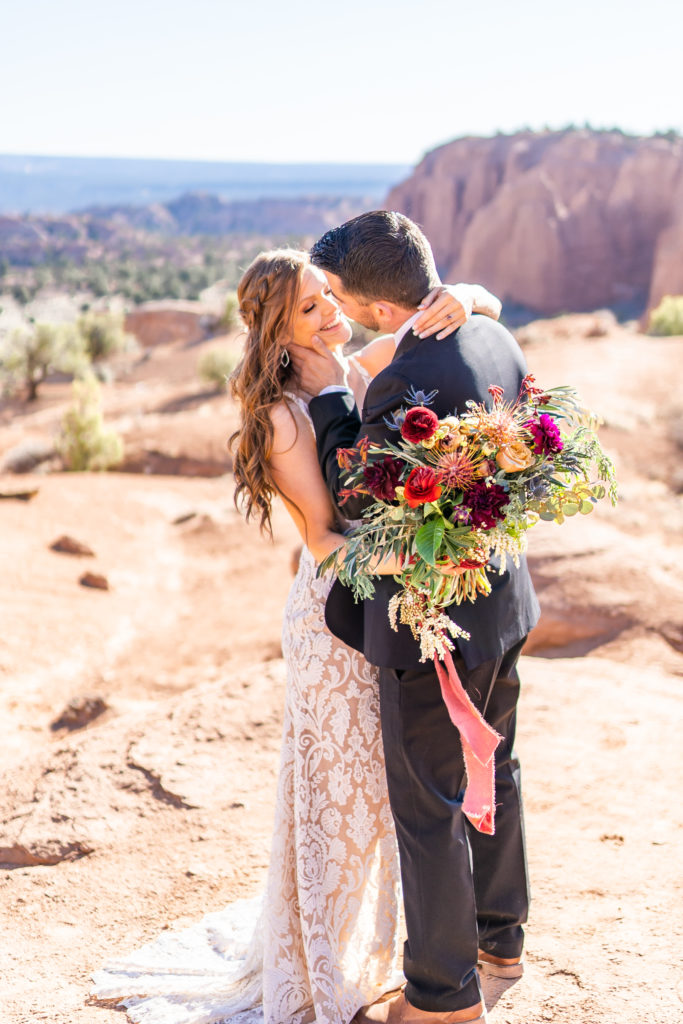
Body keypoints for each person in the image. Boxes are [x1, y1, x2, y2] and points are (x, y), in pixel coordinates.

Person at [90, 248, 502, 1024]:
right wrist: (418, 557)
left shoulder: (355, 367)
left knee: (381, 799)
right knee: (339, 801)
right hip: (334, 621)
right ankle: (323, 968)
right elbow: (322, 539)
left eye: (329, 297)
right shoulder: (284, 416)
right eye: (310, 308)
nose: (331, 312)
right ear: (279, 333)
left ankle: (374, 955)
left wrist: (471, 293)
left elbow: (447, 315)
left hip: (379, 610)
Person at [290, 211, 541, 1024]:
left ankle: (440, 999)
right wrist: (471, 294)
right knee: (495, 765)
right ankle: (500, 941)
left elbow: (361, 497)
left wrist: (332, 400)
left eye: (337, 295)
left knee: (431, 803)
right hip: (503, 600)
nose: (333, 307)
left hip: (435, 620)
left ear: (377, 307)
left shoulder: (401, 380)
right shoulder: (490, 335)